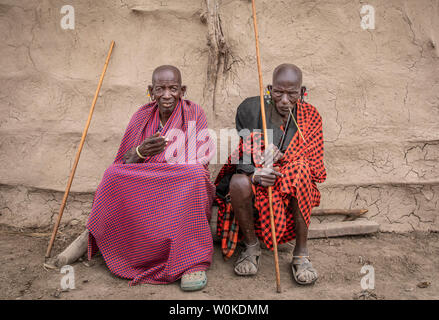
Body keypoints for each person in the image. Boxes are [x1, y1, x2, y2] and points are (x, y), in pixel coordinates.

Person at [87, 65, 215, 291]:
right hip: (146, 181)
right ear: (151, 91)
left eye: (173, 88)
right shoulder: (142, 115)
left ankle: (191, 261)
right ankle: (117, 246)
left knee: (195, 176)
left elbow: (200, 160)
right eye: (160, 89)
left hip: (178, 180)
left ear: (182, 90)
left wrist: (167, 166)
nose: (167, 95)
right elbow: (124, 161)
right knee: (112, 175)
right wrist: (141, 152)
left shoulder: (195, 112)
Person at [215, 63, 326, 285]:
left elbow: (315, 167)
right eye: (278, 92)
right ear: (269, 89)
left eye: (292, 93)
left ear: (301, 92)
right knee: (238, 183)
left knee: (302, 171)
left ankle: (301, 253)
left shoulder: (311, 116)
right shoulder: (253, 110)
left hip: (293, 183)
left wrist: (282, 160)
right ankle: (252, 246)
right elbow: (243, 157)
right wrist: (256, 174)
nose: (284, 100)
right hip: (259, 180)